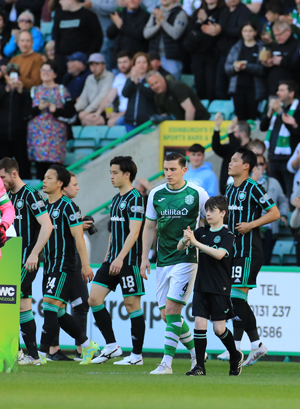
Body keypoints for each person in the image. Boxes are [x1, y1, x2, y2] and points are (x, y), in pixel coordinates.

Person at [140, 153, 208, 375]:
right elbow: (150, 227)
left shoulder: (197, 193)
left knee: (171, 309)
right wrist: (144, 257)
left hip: (187, 259)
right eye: (165, 169)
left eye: (173, 169)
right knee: (167, 315)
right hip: (162, 260)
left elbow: (213, 219)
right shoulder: (156, 194)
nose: (168, 174)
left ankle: (166, 363)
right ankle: (197, 354)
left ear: (184, 170)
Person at [221, 148, 280, 366]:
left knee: (236, 298)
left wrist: (251, 225)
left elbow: (275, 212)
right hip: (232, 253)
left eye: (234, 160)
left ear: (246, 166)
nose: (230, 163)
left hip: (248, 251)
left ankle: (249, 345)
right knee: (237, 300)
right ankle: (253, 346)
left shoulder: (253, 187)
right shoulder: (229, 189)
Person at [84, 156, 146, 365]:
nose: (111, 176)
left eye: (115, 172)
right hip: (112, 260)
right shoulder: (115, 200)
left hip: (127, 262)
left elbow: (135, 231)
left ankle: (136, 356)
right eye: (110, 172)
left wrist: (120, 257)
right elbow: (114, 232)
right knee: (94, 299)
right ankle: (111, 346)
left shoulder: (135, 197)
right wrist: (108, 257)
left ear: (127, 174)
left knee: (131, 305)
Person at [37, 164, 101, 363]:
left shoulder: (68, 206)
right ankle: (88, 345)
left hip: (63, 264)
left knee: (49, 306)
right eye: (44, 177)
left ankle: (39, 354)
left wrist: (85, 265)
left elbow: (79, 237)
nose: (44, 181)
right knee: (59, 310)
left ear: (60, 183)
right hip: (48, 265)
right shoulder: (43, 206)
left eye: (48, 178)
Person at [178, 196, 243, 376]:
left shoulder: (227, 235)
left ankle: (235, 355)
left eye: (212, 210)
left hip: (219, 287)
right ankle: (199, 366)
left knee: (218, 329)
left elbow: (219, 255)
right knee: (199, 323)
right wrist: (186, 239)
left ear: (223, 213)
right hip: (200, 285)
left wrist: (196, 243)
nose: (207, 214)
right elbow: (179, 248)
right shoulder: (201, 232)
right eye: (206, 210)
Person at [0, 158, 52, 366]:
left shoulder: (30, 194)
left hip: (26, 260)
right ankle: (33, 356)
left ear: (14, 174)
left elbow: (47, 225)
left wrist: (34, 254)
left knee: (7, 302)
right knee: (23, 306)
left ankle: (15, 351)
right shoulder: (6, 198)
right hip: (12, 260)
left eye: (3, 177)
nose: (1, 181)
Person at [27, 63, 74, 179]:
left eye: (49, 70)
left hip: (56, 137)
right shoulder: (34, 90)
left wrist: (56, 110)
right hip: (37, 136)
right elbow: (25, 113)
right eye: (42, 70)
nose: (45, 73)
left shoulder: (62, 90)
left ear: (55, 74)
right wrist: (39, 108)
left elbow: (71, 114)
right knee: (40, 170)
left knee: (54, 171)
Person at [260, 80, 300, 191]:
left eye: (282, 90)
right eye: (278, 90)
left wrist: (280, 112)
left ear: (291, 93)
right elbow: (262, 127)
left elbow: (296, 132)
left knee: (288, 191)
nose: (278, 93)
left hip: (288, 159)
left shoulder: (299, 109)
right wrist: (270, 112)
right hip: (273, 158)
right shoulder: (276, 109)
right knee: (273, 192)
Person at [225, 22, 264, 120]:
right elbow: (227, 67)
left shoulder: (261, 47)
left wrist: (247, 67)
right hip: (238, 88)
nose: (248, 34)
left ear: (255, 32)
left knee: (252, 118)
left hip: (254, 89)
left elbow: (263, 69)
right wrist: (235, 68)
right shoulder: (236, 47)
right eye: (245, 31)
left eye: (250, 31)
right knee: (240, 118)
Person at [142, 0, 188, 78]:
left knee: (171, 85)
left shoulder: (180, 13)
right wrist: (158, 26)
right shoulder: (156, 11)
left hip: (172, 59)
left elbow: (175, 34)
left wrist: (162, 20)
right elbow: (146, 34)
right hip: (155, 57)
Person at [75, 53, 113, 126]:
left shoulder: (109, 76)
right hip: (92, 110)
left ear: (103, 65)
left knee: (88, 120)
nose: (93, 67)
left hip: (106, 111)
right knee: (74, 118)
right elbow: (83, 98)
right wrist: (73, 111)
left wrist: (87, 111)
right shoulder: (89, 78)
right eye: (91, 65)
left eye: (96, 64)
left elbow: (102, 97)